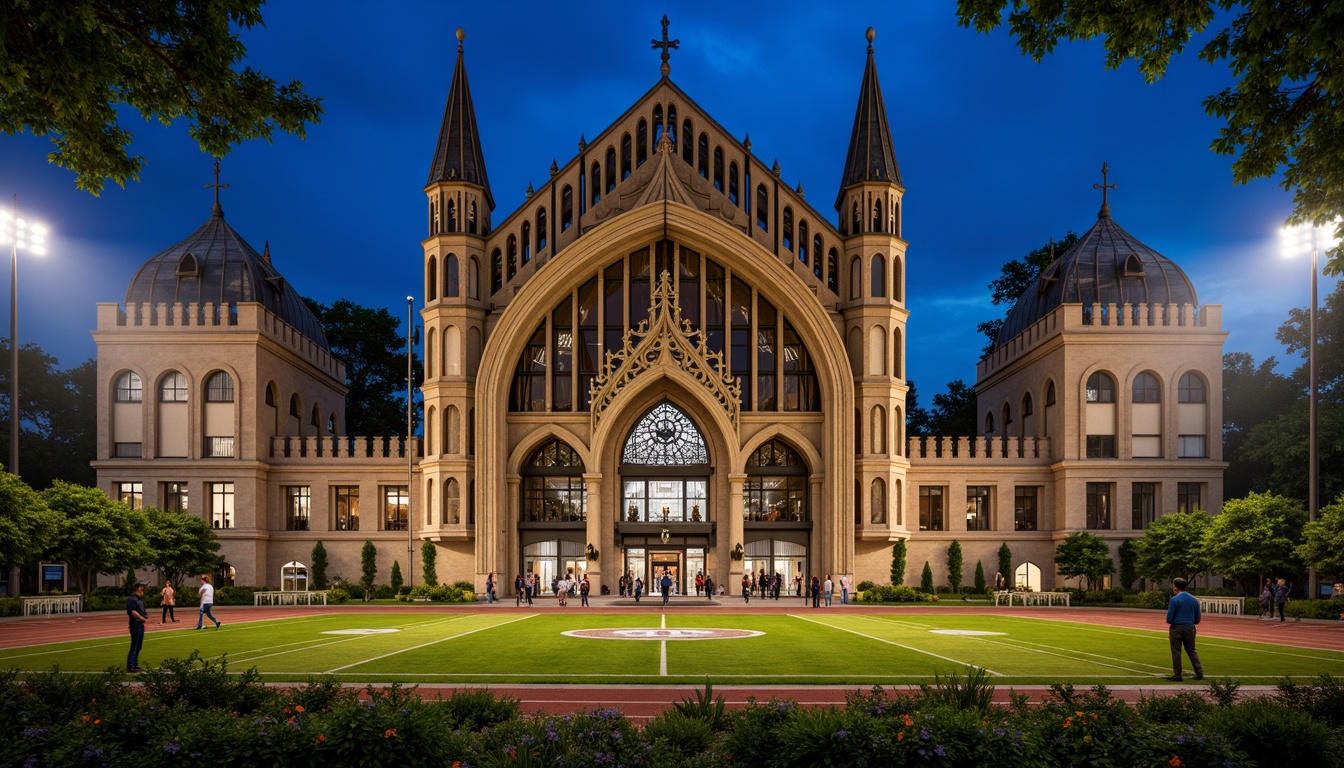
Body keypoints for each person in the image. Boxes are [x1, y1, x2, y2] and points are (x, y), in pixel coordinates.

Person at [1165, 577, 1203, 681]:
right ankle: (1199, 672)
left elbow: (1169, 618)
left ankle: (1177, 674)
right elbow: (1197, 618)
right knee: (1191, 650)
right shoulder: (1193, 599)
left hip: (1176, 627)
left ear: (1175, 587)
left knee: (1176, 651)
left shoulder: (1174, 599)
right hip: (1190, 627)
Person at [126, 582, 149, 673]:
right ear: (138, 588)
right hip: (135, 623)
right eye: (141, 587)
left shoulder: (139, 599)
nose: (143, 589)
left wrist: (145, 617)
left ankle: (135, 664)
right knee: (134, 645)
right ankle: (130, 665)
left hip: (140, 624)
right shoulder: (132, 599)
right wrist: (142, 618)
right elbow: (133, 612)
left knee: (138, 646)